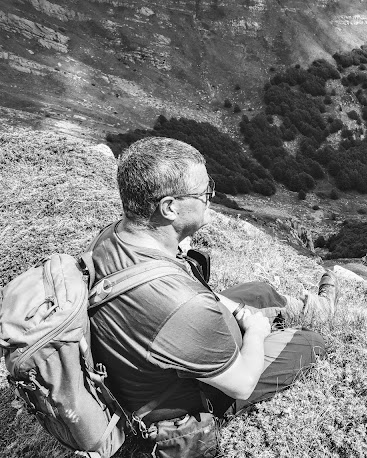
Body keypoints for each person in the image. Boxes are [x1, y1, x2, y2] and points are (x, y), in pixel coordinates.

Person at [89, 136, 338, 429]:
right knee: (310, 342)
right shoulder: (182, 304)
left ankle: (314, 309)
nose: (211, 197)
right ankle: (296, 325)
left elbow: (184, 300)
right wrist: (256, 332)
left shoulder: (113, 237)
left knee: (258, 291)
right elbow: (242, 385)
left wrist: (241, 311)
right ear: (169, 207)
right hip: (189, 398)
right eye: (204, 192)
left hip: (158, 354)